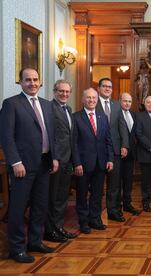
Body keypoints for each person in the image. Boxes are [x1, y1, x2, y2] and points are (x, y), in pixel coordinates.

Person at [0, 68, 57, 263]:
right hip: (22, 166)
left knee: (40, 206)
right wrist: (15, 161)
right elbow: (6, 137)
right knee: (18, 208)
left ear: (40, 82)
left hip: (44, 163)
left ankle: (35, 241)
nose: (32, 83)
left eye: (35, 80)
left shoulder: (47, 105)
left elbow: (51, 134)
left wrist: (54, 157)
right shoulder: (11, 104)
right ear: (21, 82)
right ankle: (17, 248)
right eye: (28, 80)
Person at [72, 88, 114, 234]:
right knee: (82, 194)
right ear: (83, 99)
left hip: (101, 162)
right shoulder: (76, 117)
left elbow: (108, 140)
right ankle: (83, 222)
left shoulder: (102, 116)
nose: (91, 100)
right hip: (83, 164)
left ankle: (95, 219)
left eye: (94, 98)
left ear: (97, 100)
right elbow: (74, 143)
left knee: (97, 194)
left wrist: (110, 159)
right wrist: (76, 163)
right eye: (88, 98)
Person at [44, 80, 78, 243]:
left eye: (67, 91)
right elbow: (50, 136)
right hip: (56, 161)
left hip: (67, 160)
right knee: (52, 197)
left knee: (62, 197)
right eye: (61, 91)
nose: (64, 94)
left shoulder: (68, 109)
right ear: (54, 91)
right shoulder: (49, 108)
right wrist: (54, 158)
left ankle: (58, 227)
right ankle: (50, 231)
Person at [96, 78, 129, 222]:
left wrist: (124, 145)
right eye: (104, 86)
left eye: (110, 86)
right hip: (97, 150)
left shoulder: (116, 105)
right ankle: (95, 215)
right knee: (97, 185)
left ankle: (113, 211)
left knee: (114, 184)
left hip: (115, 150)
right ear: (99, 88)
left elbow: (122, 126)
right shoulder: (92, 102)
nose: (107, 89)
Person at [119, 93, 139, 216]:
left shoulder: (133, 115)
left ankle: (127, 204)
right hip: (119, 153)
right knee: (116, 182)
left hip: (131, 154)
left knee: (128, 180)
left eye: (129, 101)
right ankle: (116, 206)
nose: (127, 103)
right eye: (125, 101)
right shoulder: (116, 114)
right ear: (120, 101)